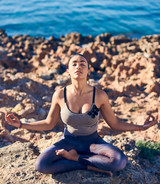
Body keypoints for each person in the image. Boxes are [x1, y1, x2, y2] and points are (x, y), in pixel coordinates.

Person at [5, 54, 158, 177]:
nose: (78, 66)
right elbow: (48, 123)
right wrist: (20, 124)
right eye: (74, 64)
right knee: (41, 165)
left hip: (93, 142)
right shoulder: (59, 95)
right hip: (68, 142)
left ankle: (74, 159)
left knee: (119, 162)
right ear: (68, 71)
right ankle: (90, 165)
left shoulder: (99, 95)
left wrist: (140, 127)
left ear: (88, 71)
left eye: (83, 64)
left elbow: (115, 123)